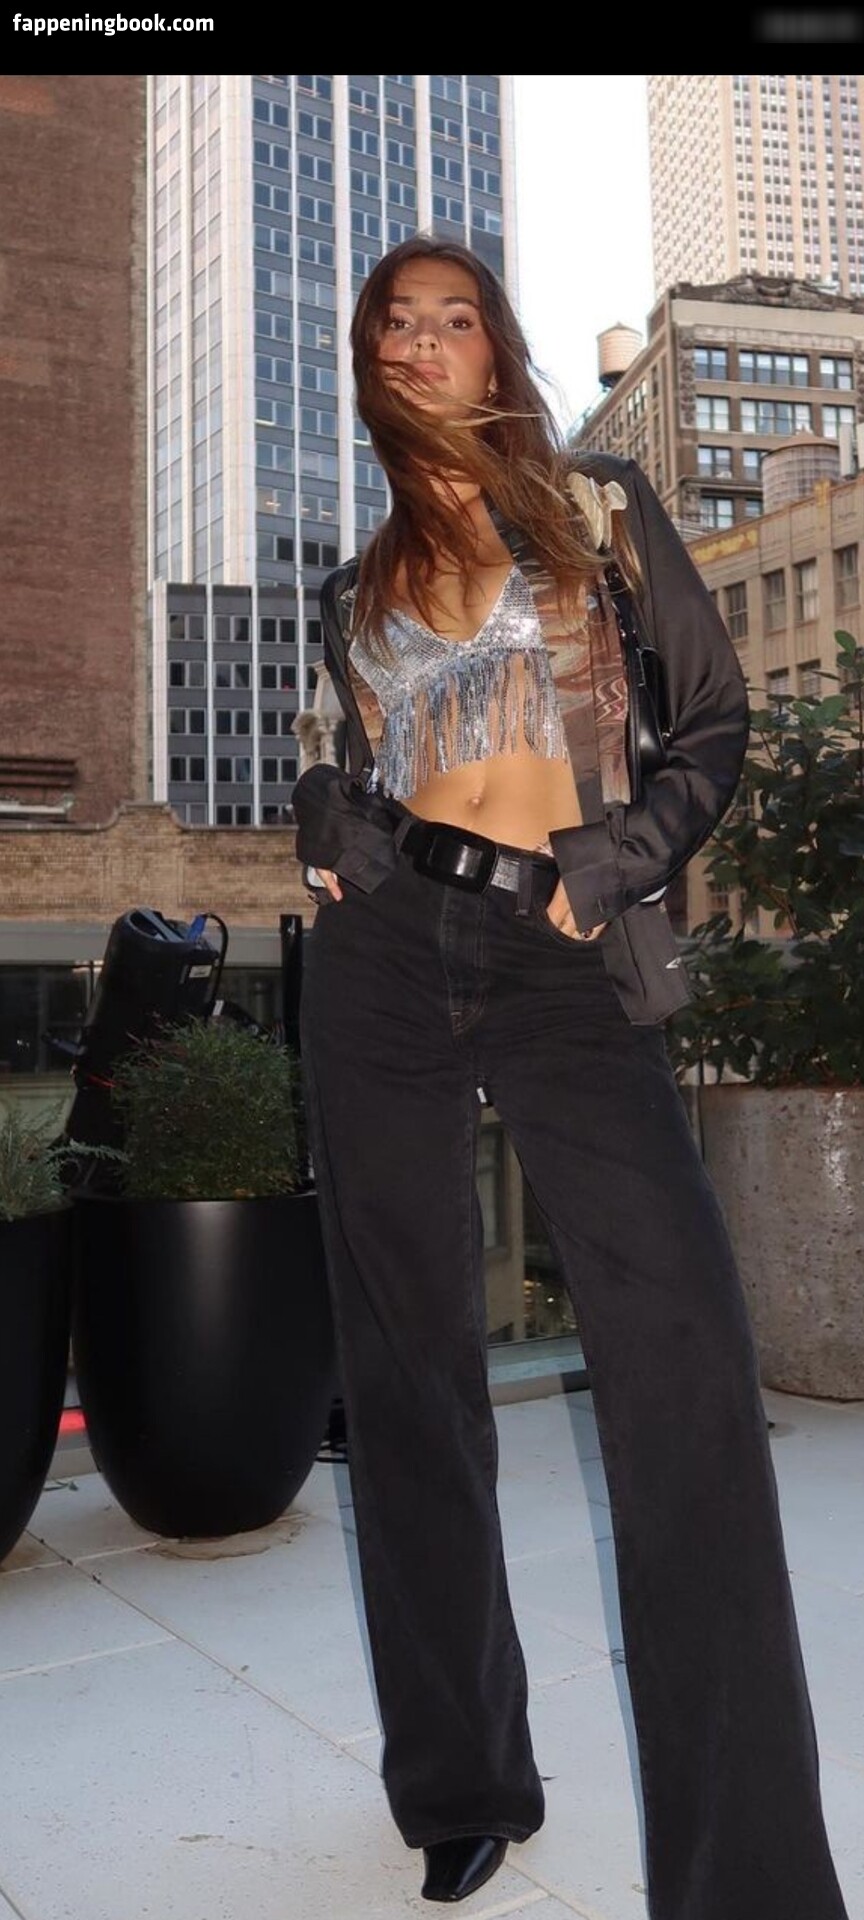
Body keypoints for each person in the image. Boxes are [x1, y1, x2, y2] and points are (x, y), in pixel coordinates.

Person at [292, 234, 850, 1918]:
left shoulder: (597, 511)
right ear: (373, 362)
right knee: (410, 1377)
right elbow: (350, 762)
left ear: (497, 348)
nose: (427, 340)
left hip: (558, 947)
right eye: (399, 322)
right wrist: (324, 819)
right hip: (386, 959)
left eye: (456, 317)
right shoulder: (355, 586)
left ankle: (748, 1881)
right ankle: (462, 1779)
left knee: (685, 1365)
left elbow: (714, 720)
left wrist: (617, 863)